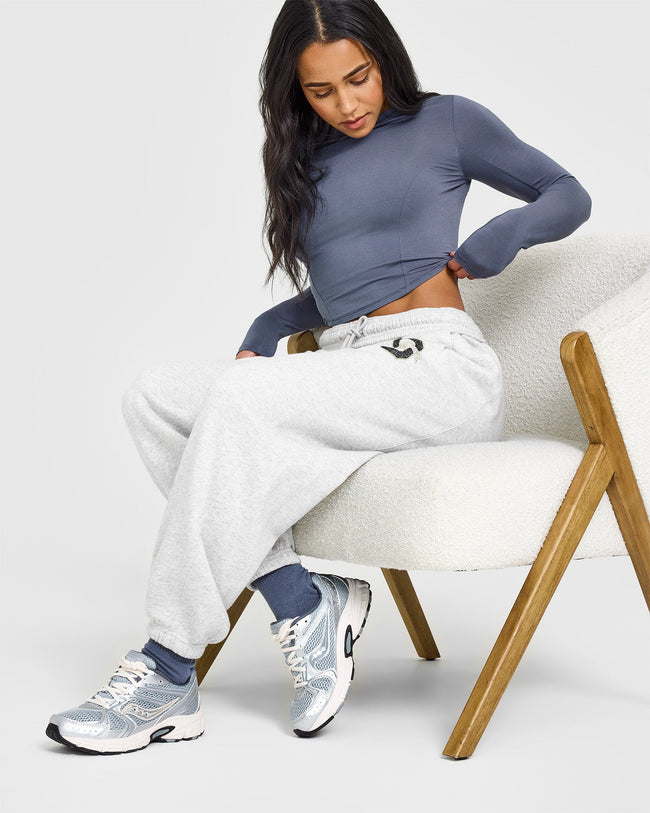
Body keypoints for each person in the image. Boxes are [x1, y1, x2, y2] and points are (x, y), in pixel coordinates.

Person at [46, 0, 591, 755]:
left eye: (358, 78)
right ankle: (303, 602)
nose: (346, 104)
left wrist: (506, 233)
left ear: (384, 59)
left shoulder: (449, 122)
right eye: (321, 91)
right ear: (296, 92)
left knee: (237, 399)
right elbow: (345, 287)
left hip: (440, 369)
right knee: (155, 398)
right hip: (353, 365)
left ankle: (167, 669)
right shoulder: (304, 161)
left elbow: (567, 193)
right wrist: (270, 324)